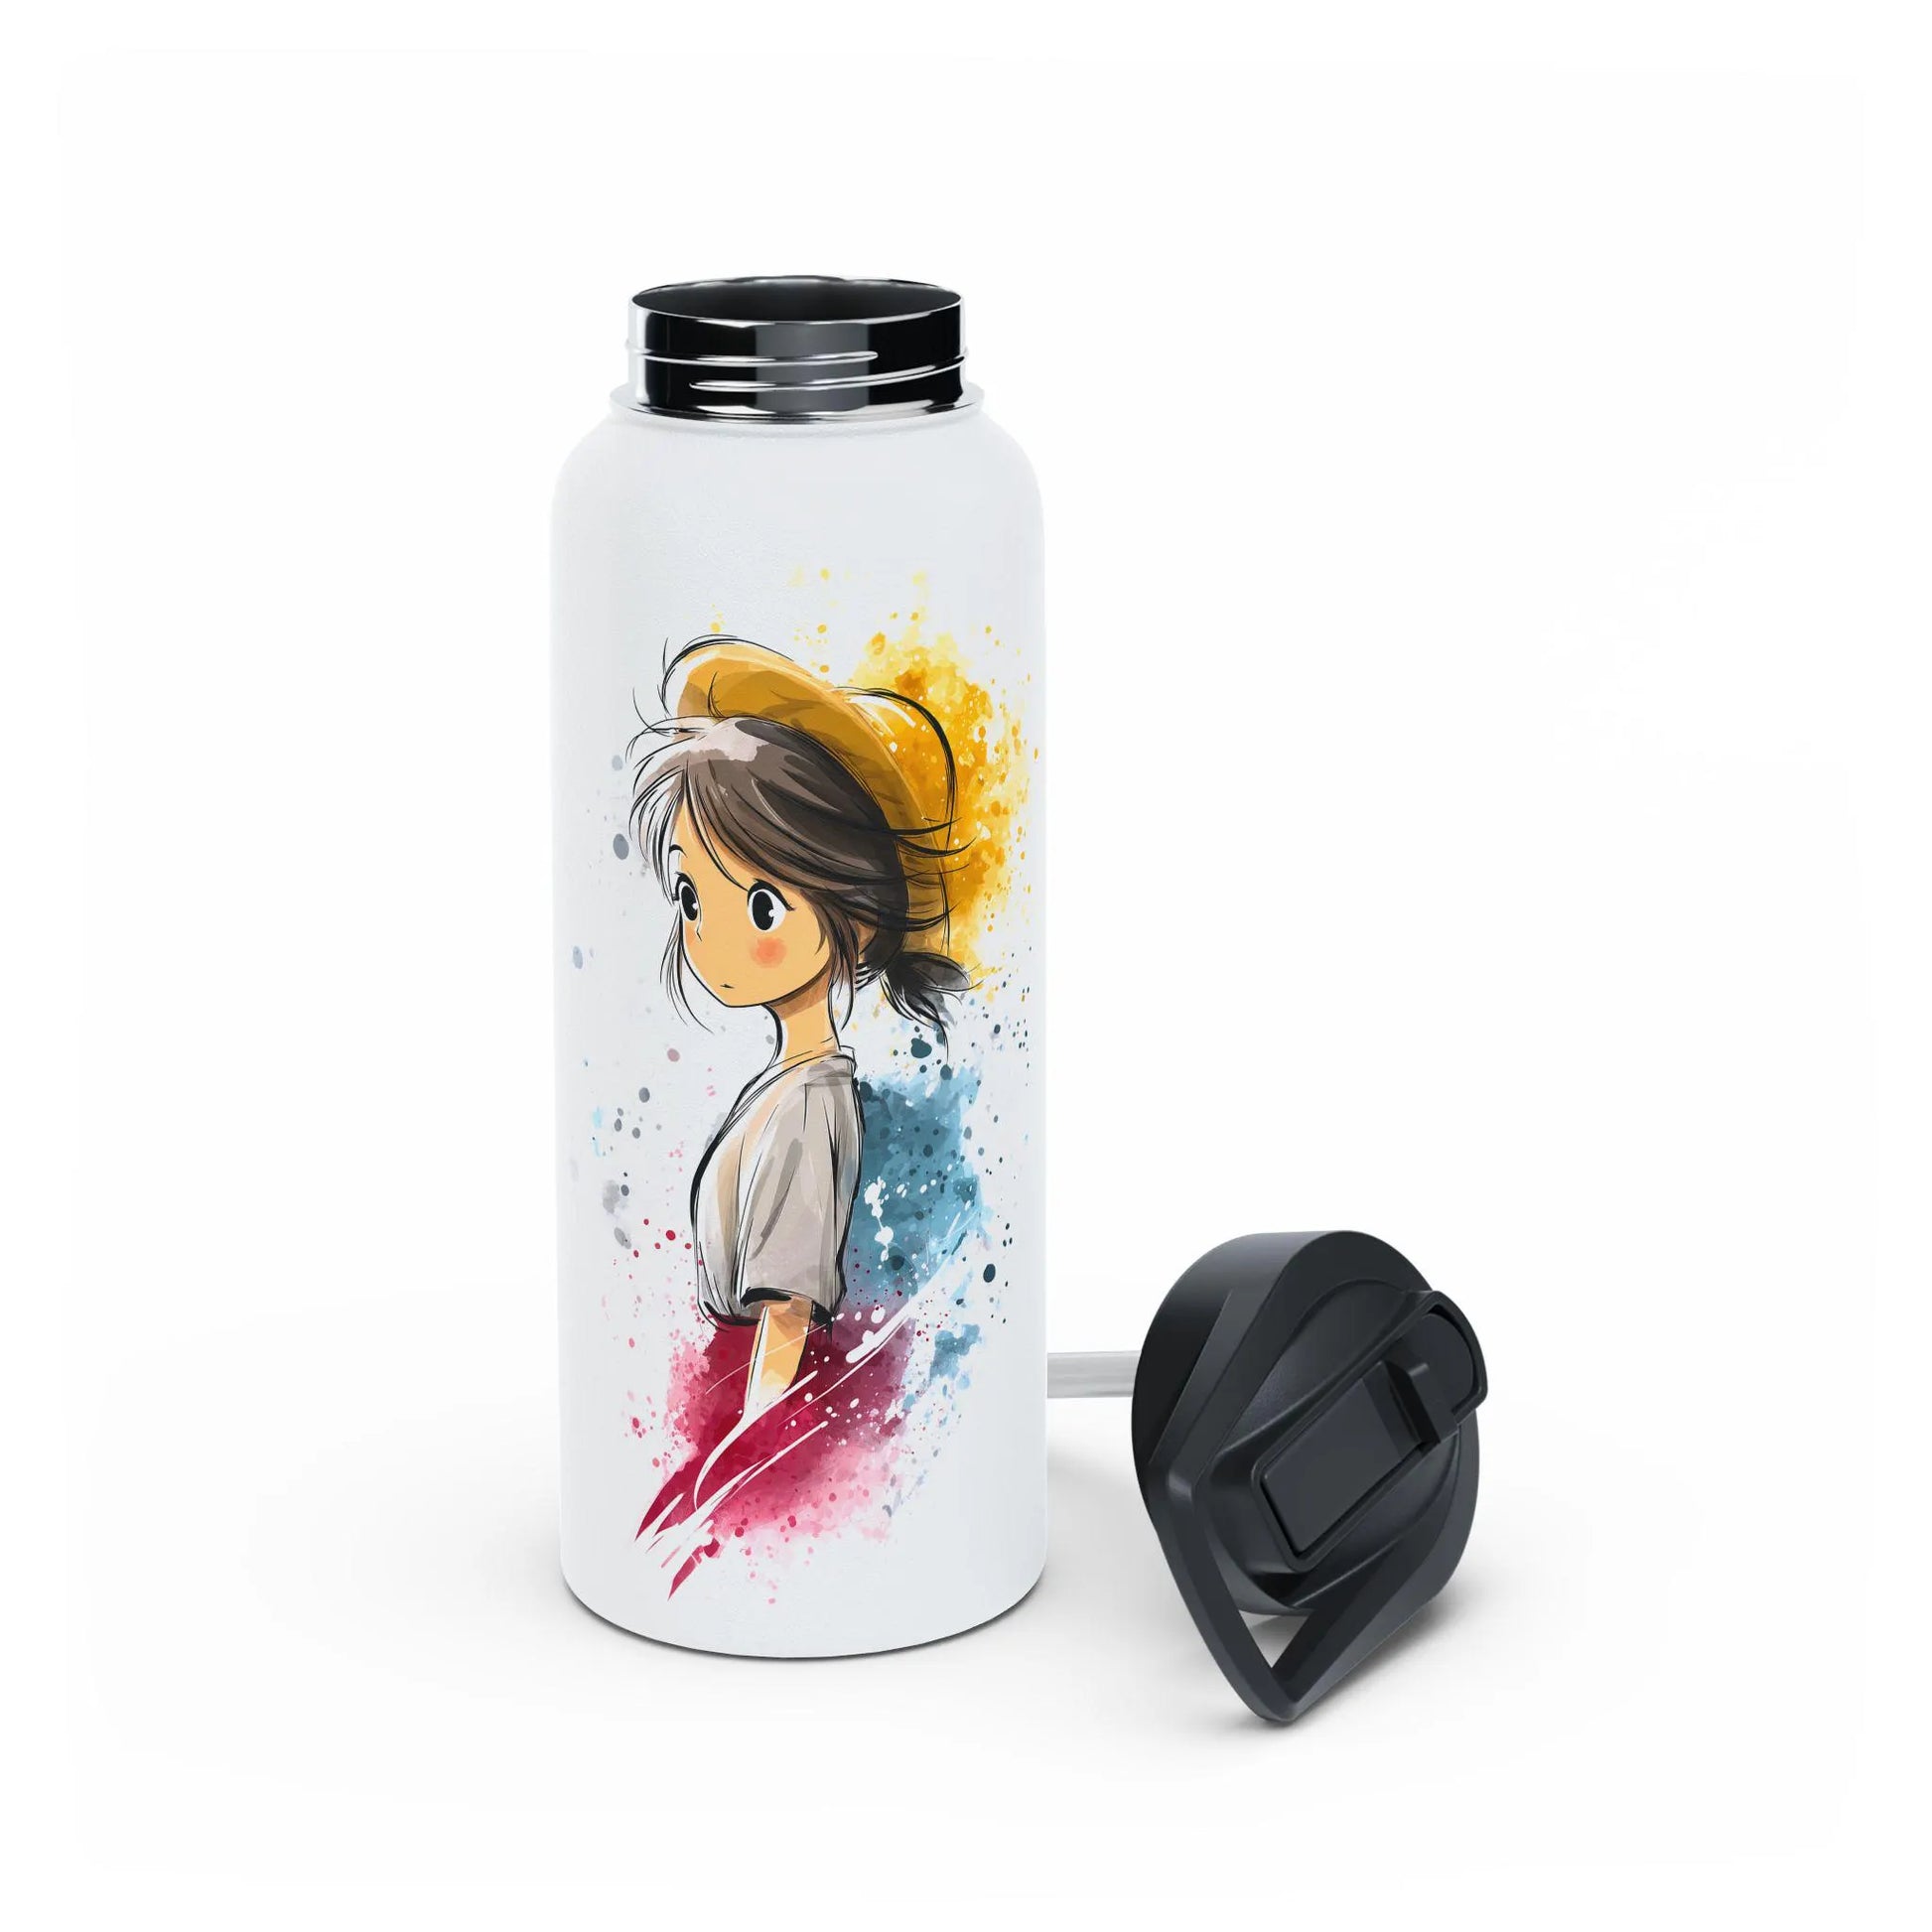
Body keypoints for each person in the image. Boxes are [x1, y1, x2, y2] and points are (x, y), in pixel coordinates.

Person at [628, 637, 970, 1419]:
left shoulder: (810, 1104)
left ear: (854, 912)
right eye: (691, 896)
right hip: (732, 1391)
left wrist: (749, 1443)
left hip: (757, 1401)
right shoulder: (786, 1090)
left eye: (760, 906)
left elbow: (785, 1318)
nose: (708, 936)